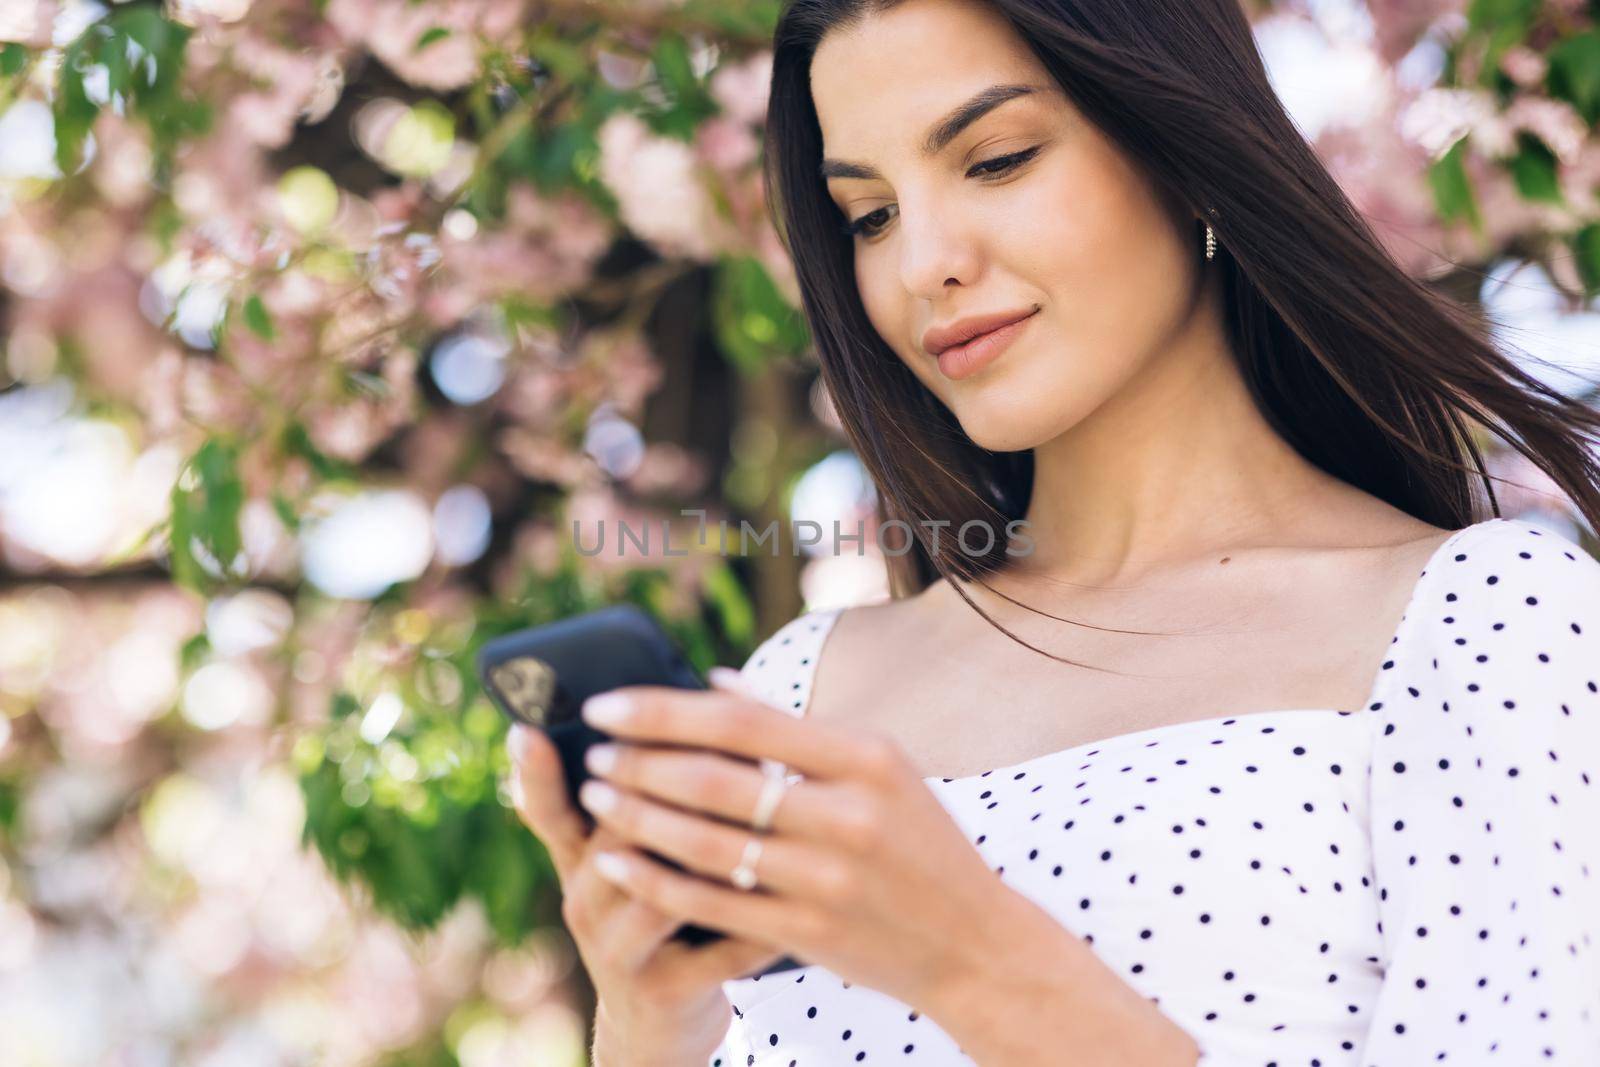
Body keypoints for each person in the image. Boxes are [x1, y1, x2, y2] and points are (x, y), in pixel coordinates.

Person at [507, 0, 1600, 1063]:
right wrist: (652, 1026)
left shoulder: (1484, 625)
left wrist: (977, 962)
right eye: (869, 215)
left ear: (1183, 149)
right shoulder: (802, 683)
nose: (919, 263)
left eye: (995, 159)